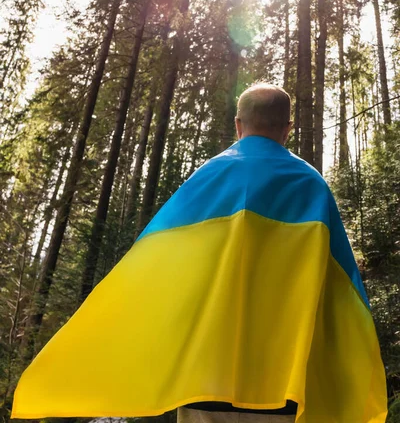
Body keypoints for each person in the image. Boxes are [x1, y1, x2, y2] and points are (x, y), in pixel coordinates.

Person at [12, 83, 387, 423]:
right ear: (287, 128)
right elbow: (342, 293)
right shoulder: (312, 187)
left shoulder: (207, 178)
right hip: (281, 386)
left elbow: (161, 270)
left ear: (238, 125)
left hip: (205, 382)